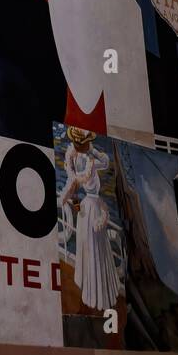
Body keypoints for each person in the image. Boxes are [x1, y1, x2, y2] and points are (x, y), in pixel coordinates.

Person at [60, 128, 121, 311]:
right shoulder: (75, 158)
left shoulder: (90, 161)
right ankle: (90, 287)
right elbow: (72, 183)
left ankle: (96, 291)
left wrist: (93, 151)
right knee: (88, 246)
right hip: (86, 208)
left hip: (91, 208)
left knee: (95, 247)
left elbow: (106, 162)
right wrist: (64, 197)